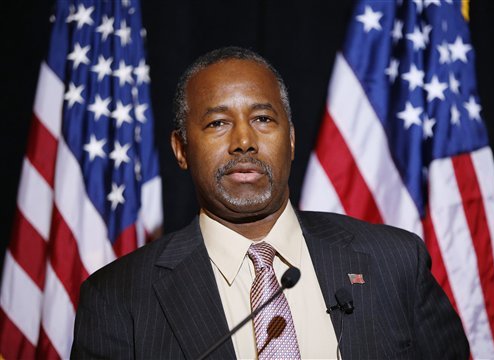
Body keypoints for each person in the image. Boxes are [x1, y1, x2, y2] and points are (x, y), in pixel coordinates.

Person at [71, 46, 469, 359]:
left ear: (291, 139)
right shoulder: (118, 298)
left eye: (263, 119)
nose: (244, 141)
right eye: (217, 123)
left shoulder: (395, 262)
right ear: (181, 149)